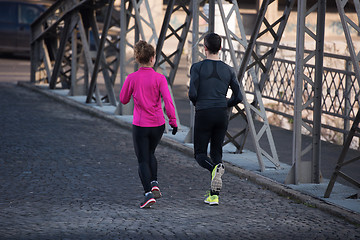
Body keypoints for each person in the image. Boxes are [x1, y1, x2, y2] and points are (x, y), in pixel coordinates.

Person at [120, 40, 178, 209]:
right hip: (158, 124)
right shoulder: (160, 78)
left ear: (137, 59)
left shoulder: (132, 78)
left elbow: (123, 100)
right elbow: (168, 101)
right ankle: (154, 182)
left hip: (140, 125)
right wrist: (173, 121)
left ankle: (148, 194)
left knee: (142, 159)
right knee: (151, 152)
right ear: (153, 58)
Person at [188, 32, 242, 205]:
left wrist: (199, 103)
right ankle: (214, 197)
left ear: (205, 48)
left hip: (204, 112)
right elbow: (239, 97)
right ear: (220, 48)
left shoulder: (197, 67)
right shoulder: (228, 70)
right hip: (221, 113)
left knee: (200, 154)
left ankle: (214, 169)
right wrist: (226, 103)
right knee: (217, 152)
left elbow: (192, 94)